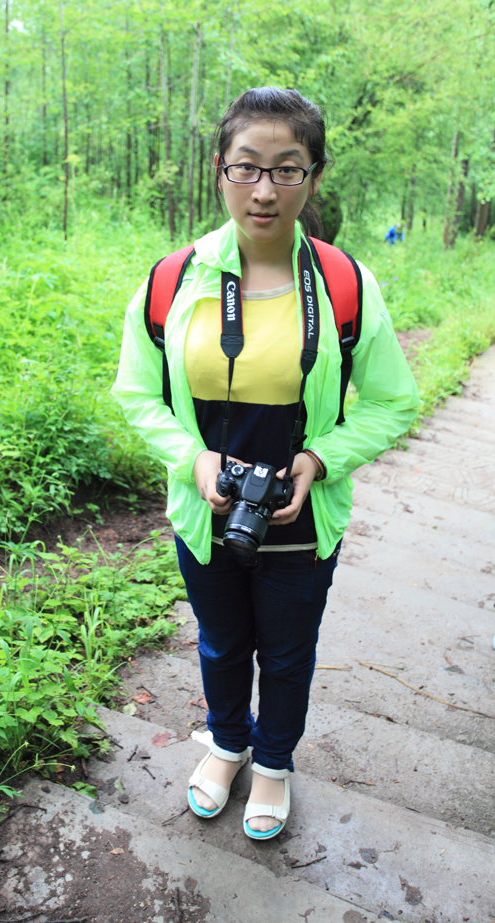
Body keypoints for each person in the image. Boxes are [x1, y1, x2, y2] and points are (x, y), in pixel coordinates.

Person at [111, 87, 420, 841]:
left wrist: (320, 457)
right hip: (205, 507)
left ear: (313, 177)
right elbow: (135, 392)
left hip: (301, 513)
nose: (263, 189)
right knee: (220, 641)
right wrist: (192, 459)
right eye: (247, 166)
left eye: (286, 169)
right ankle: (226, 742)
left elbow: (393, 402)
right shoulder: (172, 280)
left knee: (286, 650)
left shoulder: (345, 284)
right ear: (219, 171)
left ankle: (274, 762)